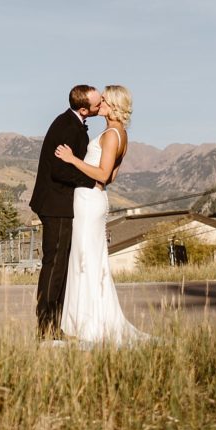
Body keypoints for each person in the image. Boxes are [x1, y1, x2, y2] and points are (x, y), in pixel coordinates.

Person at [55, 84, 148, 345]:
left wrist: (73, 159)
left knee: (84, 260)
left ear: (114, 106)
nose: (100, 104)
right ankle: (87, 320)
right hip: (96, 199)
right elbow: (113, 176)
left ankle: (86, 325)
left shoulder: (110, 136)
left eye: (105, 100)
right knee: (91, 260)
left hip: (89, 201)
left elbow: (104, 174)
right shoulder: (122, 135)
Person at [30, 84, 103, 340]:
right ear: (83, 109)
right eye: (97, 103)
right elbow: (60, 170)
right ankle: (46, 328)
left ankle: (54, 325)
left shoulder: (71, 122)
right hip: (56, 205)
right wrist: (92, 182)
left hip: (60, 203)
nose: (101, 104)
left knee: (59, 266)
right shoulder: (67, 127)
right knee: (54, 266)